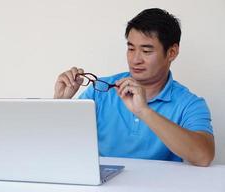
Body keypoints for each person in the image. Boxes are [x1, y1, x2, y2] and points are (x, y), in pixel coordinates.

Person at [53, 8, 215, 166]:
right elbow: (61, 145)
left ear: (172, 52)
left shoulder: (189, 104)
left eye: (146, 51)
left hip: (161, 189)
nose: (135, 59)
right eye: (131, 48)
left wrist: (144, 111)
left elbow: (204, 156)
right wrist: (59, 104)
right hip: (103, 186)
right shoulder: (101, 90)